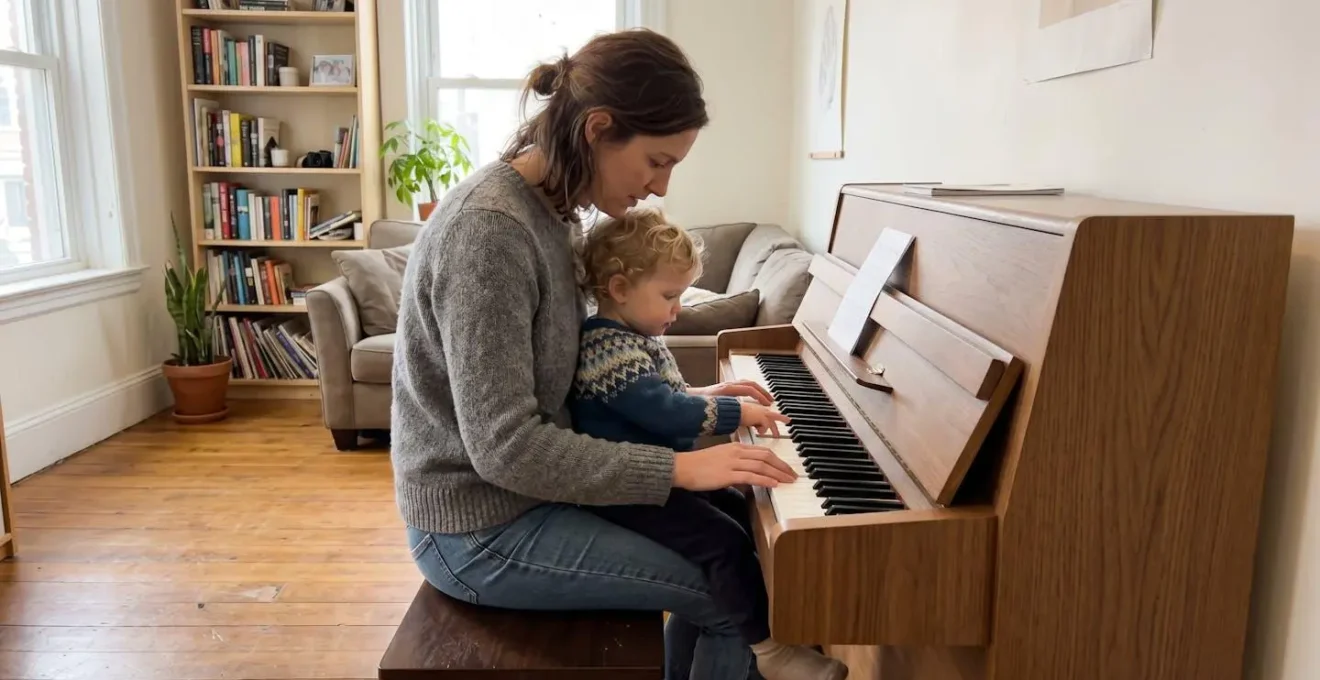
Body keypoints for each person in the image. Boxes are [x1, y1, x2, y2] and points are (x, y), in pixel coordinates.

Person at [392, 28, 803, 680]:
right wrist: (680, 470)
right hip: (477, 530)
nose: (661, 187)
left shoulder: (558, 216)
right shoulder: (490, 231)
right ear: (597, 128)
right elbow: (505, 448)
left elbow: (581, 386)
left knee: (735, 548)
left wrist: (692, 405)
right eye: (656, 160)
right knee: (734, 594)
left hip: (529, 496)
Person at [569, 207, 850, 680]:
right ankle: (771, 652)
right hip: (628, 492)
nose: (678, 309)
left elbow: (664, 396)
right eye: (669, 296)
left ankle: (762, 629)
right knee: (723, 543)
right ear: (619, 290)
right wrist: (735, 413)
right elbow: (660, 410)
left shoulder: (632, 335)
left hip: (659, 480)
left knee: (741, 511)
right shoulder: (606, 349)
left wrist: (713, 393)